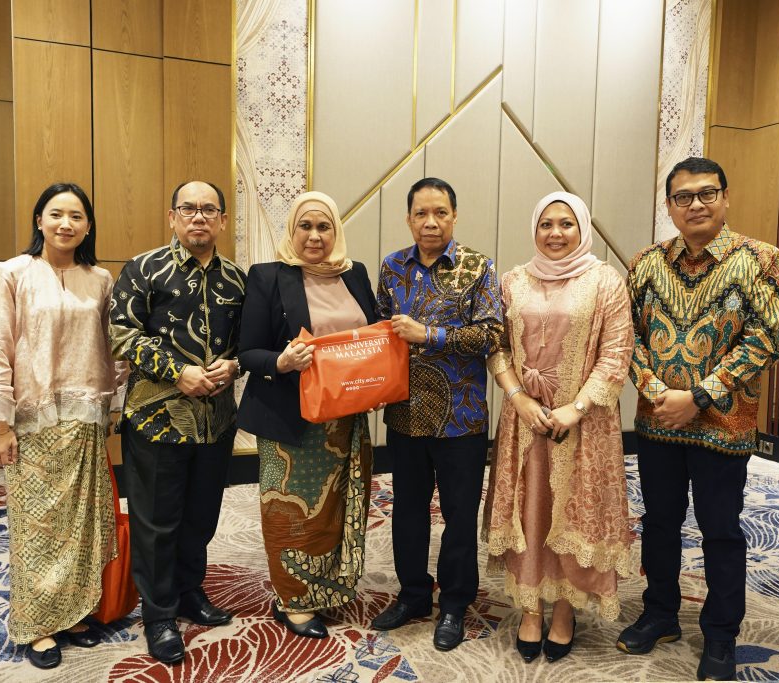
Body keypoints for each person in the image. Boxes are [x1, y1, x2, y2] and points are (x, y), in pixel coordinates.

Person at [618, 157, 779, 681]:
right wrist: (654, 390)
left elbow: (769, 337)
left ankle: (720, 633)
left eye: (706, 193)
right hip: (658, 423)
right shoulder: (646, 263)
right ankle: (660, 613)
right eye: (683, 196)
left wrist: (699, 395)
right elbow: (626, 336)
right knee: (659, 522)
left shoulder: (759, 259)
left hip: (724, 425)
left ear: (725, 197)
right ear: (670, 206)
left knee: (720, 528)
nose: (696, 204)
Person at [0, 183, 121, 670]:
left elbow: (110, 348)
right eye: (56, 214)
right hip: (33, 420)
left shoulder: (100, 279)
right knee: (37, 529)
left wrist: (114, 406)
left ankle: (71, 613)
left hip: (85, 419)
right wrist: (1, 425)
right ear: (39, 220)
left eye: (76, 216)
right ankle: (37, 624)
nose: (65, 224)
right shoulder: (11, 272)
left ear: (88, 226)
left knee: (81, 526)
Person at [483, 192, 635, 664]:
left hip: (584, 424)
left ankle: (566, 607)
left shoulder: (606, 281)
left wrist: (577, 408)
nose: (555, 233)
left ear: (582, 228)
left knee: (572, 512)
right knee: (530, 509)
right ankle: (531, 608)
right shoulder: (512, 281)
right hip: (525, 420)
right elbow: (496, 346)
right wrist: (518, 398)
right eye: (545, 224)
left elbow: (617, 352)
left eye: (566, 223)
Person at [110, 180, 246, 665]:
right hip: (157, 418)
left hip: (216, 420)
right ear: (172, 217)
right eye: (188, 209)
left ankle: (189, 592)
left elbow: (247, 342)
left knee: (201, 515)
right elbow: (122, 335)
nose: (198, 217)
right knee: (156, 521)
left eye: (209, 209)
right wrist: (178, 372)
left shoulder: (238, 279)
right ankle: (159, 615)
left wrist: (235, 365)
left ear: (223, 220)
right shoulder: (144, 269)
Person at [370, 178, 503, 652]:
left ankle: (454, 603)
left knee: (459, 516)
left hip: (461, 418)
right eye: (421, 213)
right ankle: (413, 595)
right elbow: (380, 334)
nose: (431, 222)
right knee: (407, 511)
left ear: (454, 216)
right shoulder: (392, 267)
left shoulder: (478, 267)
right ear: (409, 219)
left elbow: (492, 335)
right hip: (405, 414)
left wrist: (430, 334)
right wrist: (370, 383)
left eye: (440, 213)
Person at [237, 191, 377, 639]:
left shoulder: (354, 273)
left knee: (338, 507)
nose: (314, 236)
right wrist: (281, 361)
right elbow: (247, 352)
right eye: (305, 226)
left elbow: (371, 338)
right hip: (290, 419)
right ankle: (293, 600)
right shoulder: (268, 276)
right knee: (292, 513)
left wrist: (376, 383)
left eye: (324, 227)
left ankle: (330, 588)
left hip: (346, 417)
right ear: (292, 230)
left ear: (336, 231)